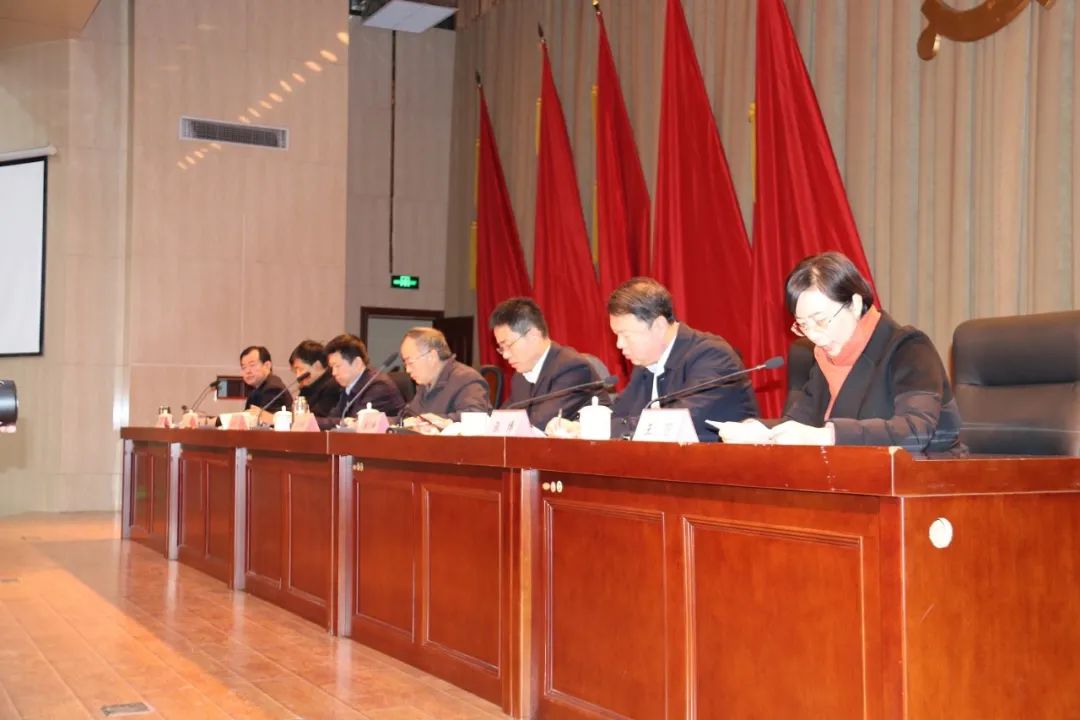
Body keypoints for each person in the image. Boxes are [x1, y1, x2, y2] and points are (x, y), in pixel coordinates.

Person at [717, 252, 965, 455]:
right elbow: (799, 425)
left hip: (927, 480)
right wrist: (757, 430)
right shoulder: (826, 358)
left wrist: (827, 436)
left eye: (821, 321)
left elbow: (914, 432)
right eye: (803, 325)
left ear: (855, 304)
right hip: (853, 480)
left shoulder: (908, 348)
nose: (814, 336)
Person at [548, 278, 756, 441]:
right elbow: (620, 412)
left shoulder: (711, 356)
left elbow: (675, 423)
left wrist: (598, 428)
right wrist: (577, 426)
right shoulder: (647, 364)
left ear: (658, 326)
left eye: (626, 335)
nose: (619, 344)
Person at [490, 297, 610, 430]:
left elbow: (540, 425)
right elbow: (501, 421)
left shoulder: (572, 368)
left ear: (533, 335)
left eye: (508, 345)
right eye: (501, 348)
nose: (505, 355)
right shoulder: (519, 378)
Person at [400, 327, 491, 429]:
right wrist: (386, 420)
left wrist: (438, 421)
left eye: (410, 362)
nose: (407, 370)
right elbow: (408, 417)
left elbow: (476, 418)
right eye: (405, 364)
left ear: (432, 356)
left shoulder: (467, 379)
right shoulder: (425, 384)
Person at [324, 334, 404, 426]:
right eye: (332, 367)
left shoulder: (378, 386)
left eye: (337, 366)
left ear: (357, 363)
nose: (334, 373)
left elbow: (356, 423)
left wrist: (343, 422)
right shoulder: (349, 385)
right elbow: (334, 418)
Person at [289, 340, 341, 420]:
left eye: (300, 369)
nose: (298, 376)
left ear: (317, 365)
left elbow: (318, 418)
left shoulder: (332, 386)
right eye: (296, 371)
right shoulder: (307, 386)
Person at [240, 345, 292, 423]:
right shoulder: (255, 391)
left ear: (267, 366)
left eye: (252, 365)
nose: (247, 371)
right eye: (244, 367)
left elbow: (264, 423)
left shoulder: (273, 389)